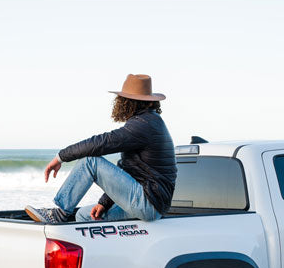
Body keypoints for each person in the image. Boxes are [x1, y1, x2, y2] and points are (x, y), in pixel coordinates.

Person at [25, 74, 176, 224]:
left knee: (90, 161)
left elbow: (101, 143)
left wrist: (61, 157)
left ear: (128, 102)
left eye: (122, 99)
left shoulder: (144, 125)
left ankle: (59, 213)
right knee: (84, 215)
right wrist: (104, 203)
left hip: (147, 203)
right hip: (152, 206)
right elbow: (129, 171)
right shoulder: (149, 122)